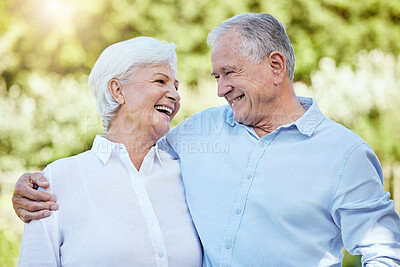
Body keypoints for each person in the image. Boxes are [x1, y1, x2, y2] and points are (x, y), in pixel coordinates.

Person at [13, 13, 400, 266]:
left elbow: (385, 252)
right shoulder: (199, 133)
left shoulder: (343, 154)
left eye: (229, 73)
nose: (221, 90)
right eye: (216, 77)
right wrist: (29, 188)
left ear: (275, 66)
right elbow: (129, 151)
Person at [17, 37, 202, 266]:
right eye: (160, 81)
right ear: (118, 90)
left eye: (175, 86)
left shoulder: (188, 173)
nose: (175, 95)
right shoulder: (56, 180)